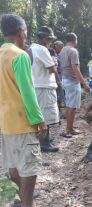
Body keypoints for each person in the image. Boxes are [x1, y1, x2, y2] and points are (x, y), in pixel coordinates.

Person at [0, 14, 47, 207]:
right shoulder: (20, 56)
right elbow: (27, 92)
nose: (26, 37)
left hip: (6, 124)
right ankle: (26, 203)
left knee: (13, 165)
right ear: (21, 32)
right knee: (28, 169)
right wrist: (39, 120)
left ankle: (19, 200)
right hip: (23, 123)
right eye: (26, 32)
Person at [29, 26, 59, 152]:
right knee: (45, 116)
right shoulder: (42, 49)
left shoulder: (31, 48)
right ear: (45, 38)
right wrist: (54, 62)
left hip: (37, 85)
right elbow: (51, 69)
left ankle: (43, 140)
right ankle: (44, 144)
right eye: (49, 39)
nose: (50, 41)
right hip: (44, 86)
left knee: (42, 114)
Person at [60, 33, 90, 138]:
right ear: (74, 40)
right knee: (72, 107)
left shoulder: (63, 50)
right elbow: (75, 68)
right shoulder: (73, 51)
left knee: (69, 105)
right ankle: (69, 130)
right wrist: (84, 83)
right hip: (72, 81)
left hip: (65, 80)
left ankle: (69, 128)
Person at [53, 41, 65, 110]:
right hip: (56, 75)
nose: (61, 49)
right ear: (56, 46)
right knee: (58, 90)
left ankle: (59, 104)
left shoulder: (59, 55)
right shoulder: (53, 54)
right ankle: (58, 104)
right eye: (60, 47)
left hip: (60, 74)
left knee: (60, 90)